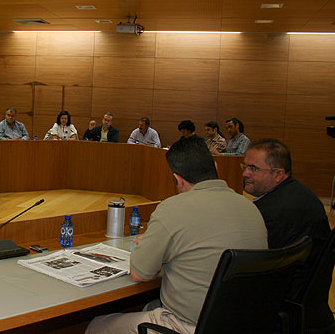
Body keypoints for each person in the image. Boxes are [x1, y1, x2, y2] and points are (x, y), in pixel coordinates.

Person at [87, 137, 267, 334]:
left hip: (191, 326)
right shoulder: (252, 209)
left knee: (96, 326)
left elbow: (139, 273)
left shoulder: (172, 209)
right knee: (150, 307)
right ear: (215, 166)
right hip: (244, 322)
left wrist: (149, 244)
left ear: (178, 179)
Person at [243, 138, 330, 298]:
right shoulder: (303, 194)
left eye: (253, 168)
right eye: (245, 166)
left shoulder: (267, 213)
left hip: (281, 297)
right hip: (309, 294)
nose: (245, 173)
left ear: (278, 174)